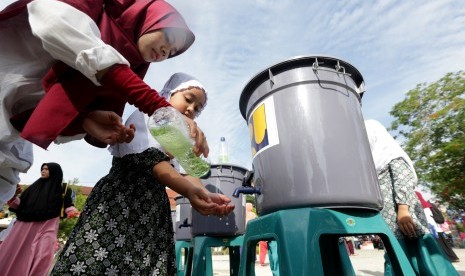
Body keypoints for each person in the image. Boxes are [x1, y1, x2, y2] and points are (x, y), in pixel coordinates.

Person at [0, 0, 209, 208]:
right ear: (149, 18)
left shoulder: (115, 77)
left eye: (171, 53)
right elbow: (57, 22)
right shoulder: (96, 10)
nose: (165, 53)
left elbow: (39, 101)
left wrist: (84, 118)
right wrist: (160, 107)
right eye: (170, 37)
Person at [51, 73, 234, 275]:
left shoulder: (182, 136)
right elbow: (151, 162)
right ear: (170, 93)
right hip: (120, 201)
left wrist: (204, 194)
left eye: (198, 108)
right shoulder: (146, 117)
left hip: (152, 209)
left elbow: (187, 172)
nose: (191, 109)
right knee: (100, 258)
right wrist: (190, 191)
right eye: (188, 99)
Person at [364, 119, 458, 275]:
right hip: (390, 224)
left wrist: (403, 210)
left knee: (423, 257)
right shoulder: (374, 162)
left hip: (404, 218)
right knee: (398, 256)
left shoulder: (390, 154)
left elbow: (403, 179)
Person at [0, 162, 78, 276]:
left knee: (42, 255)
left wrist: (72, 211)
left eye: (46, 169)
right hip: (24, 226)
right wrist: (12, 196)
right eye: (42, 169)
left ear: (55, 171)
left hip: (47, 224)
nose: (43, 171)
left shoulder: (62, 189)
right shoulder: (33, 188)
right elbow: (19, 205)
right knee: (16, 252)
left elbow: (68, 204)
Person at [415, 191, 460, 263]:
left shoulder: (420, 206)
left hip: (430, 228)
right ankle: (452, 257)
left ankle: (446, 258)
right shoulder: (429, 205)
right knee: (443, 243)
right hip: (437, 227)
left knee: (438, 244)